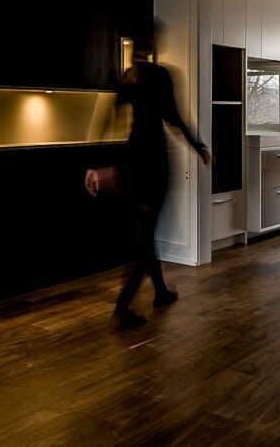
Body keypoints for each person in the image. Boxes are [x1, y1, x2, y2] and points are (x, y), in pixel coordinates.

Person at [85, 24, 211, 330]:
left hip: (129, 165)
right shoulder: (161, 74)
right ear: (153, 42)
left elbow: (108, 120)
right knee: (145, 238)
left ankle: (161, 292)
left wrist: (96, 165)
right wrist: (199, 147)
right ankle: (121, 309)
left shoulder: (128, 76)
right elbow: (174, 118)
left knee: (145, 233)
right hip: (154, 163)